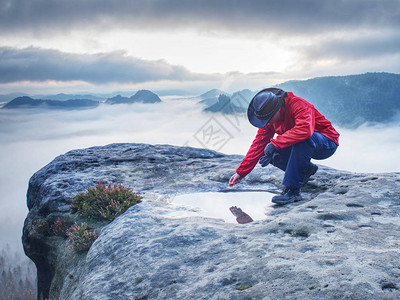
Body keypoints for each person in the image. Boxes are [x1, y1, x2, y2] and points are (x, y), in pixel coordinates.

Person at [229, 88, 339, 205]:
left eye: (269, 119)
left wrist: (276, 144)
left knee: (302, 139)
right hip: (301, 145)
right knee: (269, 152)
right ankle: (306, 170)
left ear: (278, 109)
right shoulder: (268, 118)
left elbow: (305, 130)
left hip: (326, 143)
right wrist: (240, 173)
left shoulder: (299, 105)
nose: (268, 123)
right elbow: (258, 144)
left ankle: (293, 191)